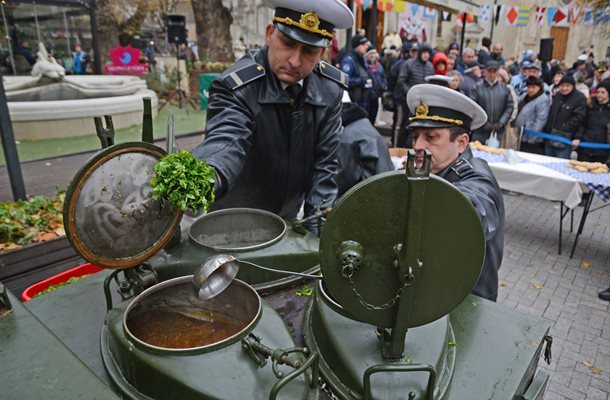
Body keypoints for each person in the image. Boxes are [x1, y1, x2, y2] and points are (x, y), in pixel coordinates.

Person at [191, 0, 354, 232]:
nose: (294, 61)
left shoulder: (330, 89)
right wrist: (203, 177)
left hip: (285, 221)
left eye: (308, 50)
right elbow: (226, 142)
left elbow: (325, 166)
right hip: (233, 225)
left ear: (322, 52)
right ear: (269, 34)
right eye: (287, 43)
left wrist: (318, 238)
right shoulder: (238, 87)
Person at [406, 84, 505, 301]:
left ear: (461, 143)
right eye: (415, 136)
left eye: (431, 137)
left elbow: (471, 210)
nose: (418, 145)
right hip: (435, 293)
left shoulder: (478, 178)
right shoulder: (436, 168)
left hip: (466, 302)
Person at [336, 92, 394, 196]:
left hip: (367, 199)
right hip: (384, 192)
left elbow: (344, 182)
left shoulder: (346, 138)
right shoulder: (364, 125)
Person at [395, 42, 434, 147]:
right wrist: (410, 92)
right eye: (424, 52)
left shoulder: (430, 67)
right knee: (405, 125)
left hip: (424, 102)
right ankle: (399, 147)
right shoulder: (409, 64)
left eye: (428, 53)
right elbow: (401, 81)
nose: (426, 55)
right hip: (409, 101)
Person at [470, 60, 514, 145]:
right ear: (485, 72)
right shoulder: (477, 88)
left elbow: (509, 107)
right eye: (490, 71)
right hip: (479, 131)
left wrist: (501, 123)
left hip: (497, 132)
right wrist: (483, 122)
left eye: (494, 71)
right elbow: (473, 107)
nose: (492, 74)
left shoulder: (504, 89)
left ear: (498, 72)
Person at [543, 74, 587, 159]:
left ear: (573, 86)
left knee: (560, 163)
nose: (564, 88)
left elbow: (579, 118)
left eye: (567, 86)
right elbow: (552, 112)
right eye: (562, 85)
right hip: (551, 134)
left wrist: (564, 127)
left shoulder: (579, 97)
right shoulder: (558, 95)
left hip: (566, 136)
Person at [574, 79, 610, 163]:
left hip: (602, 151)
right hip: (585, 148)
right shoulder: (590, 106)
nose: (599, 95)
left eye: (603, 92)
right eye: (598, 92)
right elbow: (582, 124)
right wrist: (578, 137)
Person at [514, 76, 550, 154]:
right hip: (520, 135)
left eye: (533, 87)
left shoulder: (543, 100)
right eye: (529, 87)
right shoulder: (524, 96)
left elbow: (540, 120)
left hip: (531, 139)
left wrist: (531, 138)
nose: (530, 90)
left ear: (539, 88)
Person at [341, 34, 373, 112]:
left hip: (364, 101)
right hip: (354, 102)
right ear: (356, 46)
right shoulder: (349, 60)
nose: (366, 47)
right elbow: (344, 80)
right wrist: (360, 81)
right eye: (363, 44)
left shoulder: (362, 59)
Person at [364, 46, 386, 125]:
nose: (373, 55)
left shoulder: (379, 66)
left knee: (374, 115)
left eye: (374, 53)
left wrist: (383, 86)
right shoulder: (364, 66)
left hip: (377, 95)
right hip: (367, 96)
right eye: (371, 54)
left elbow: (384, 77)